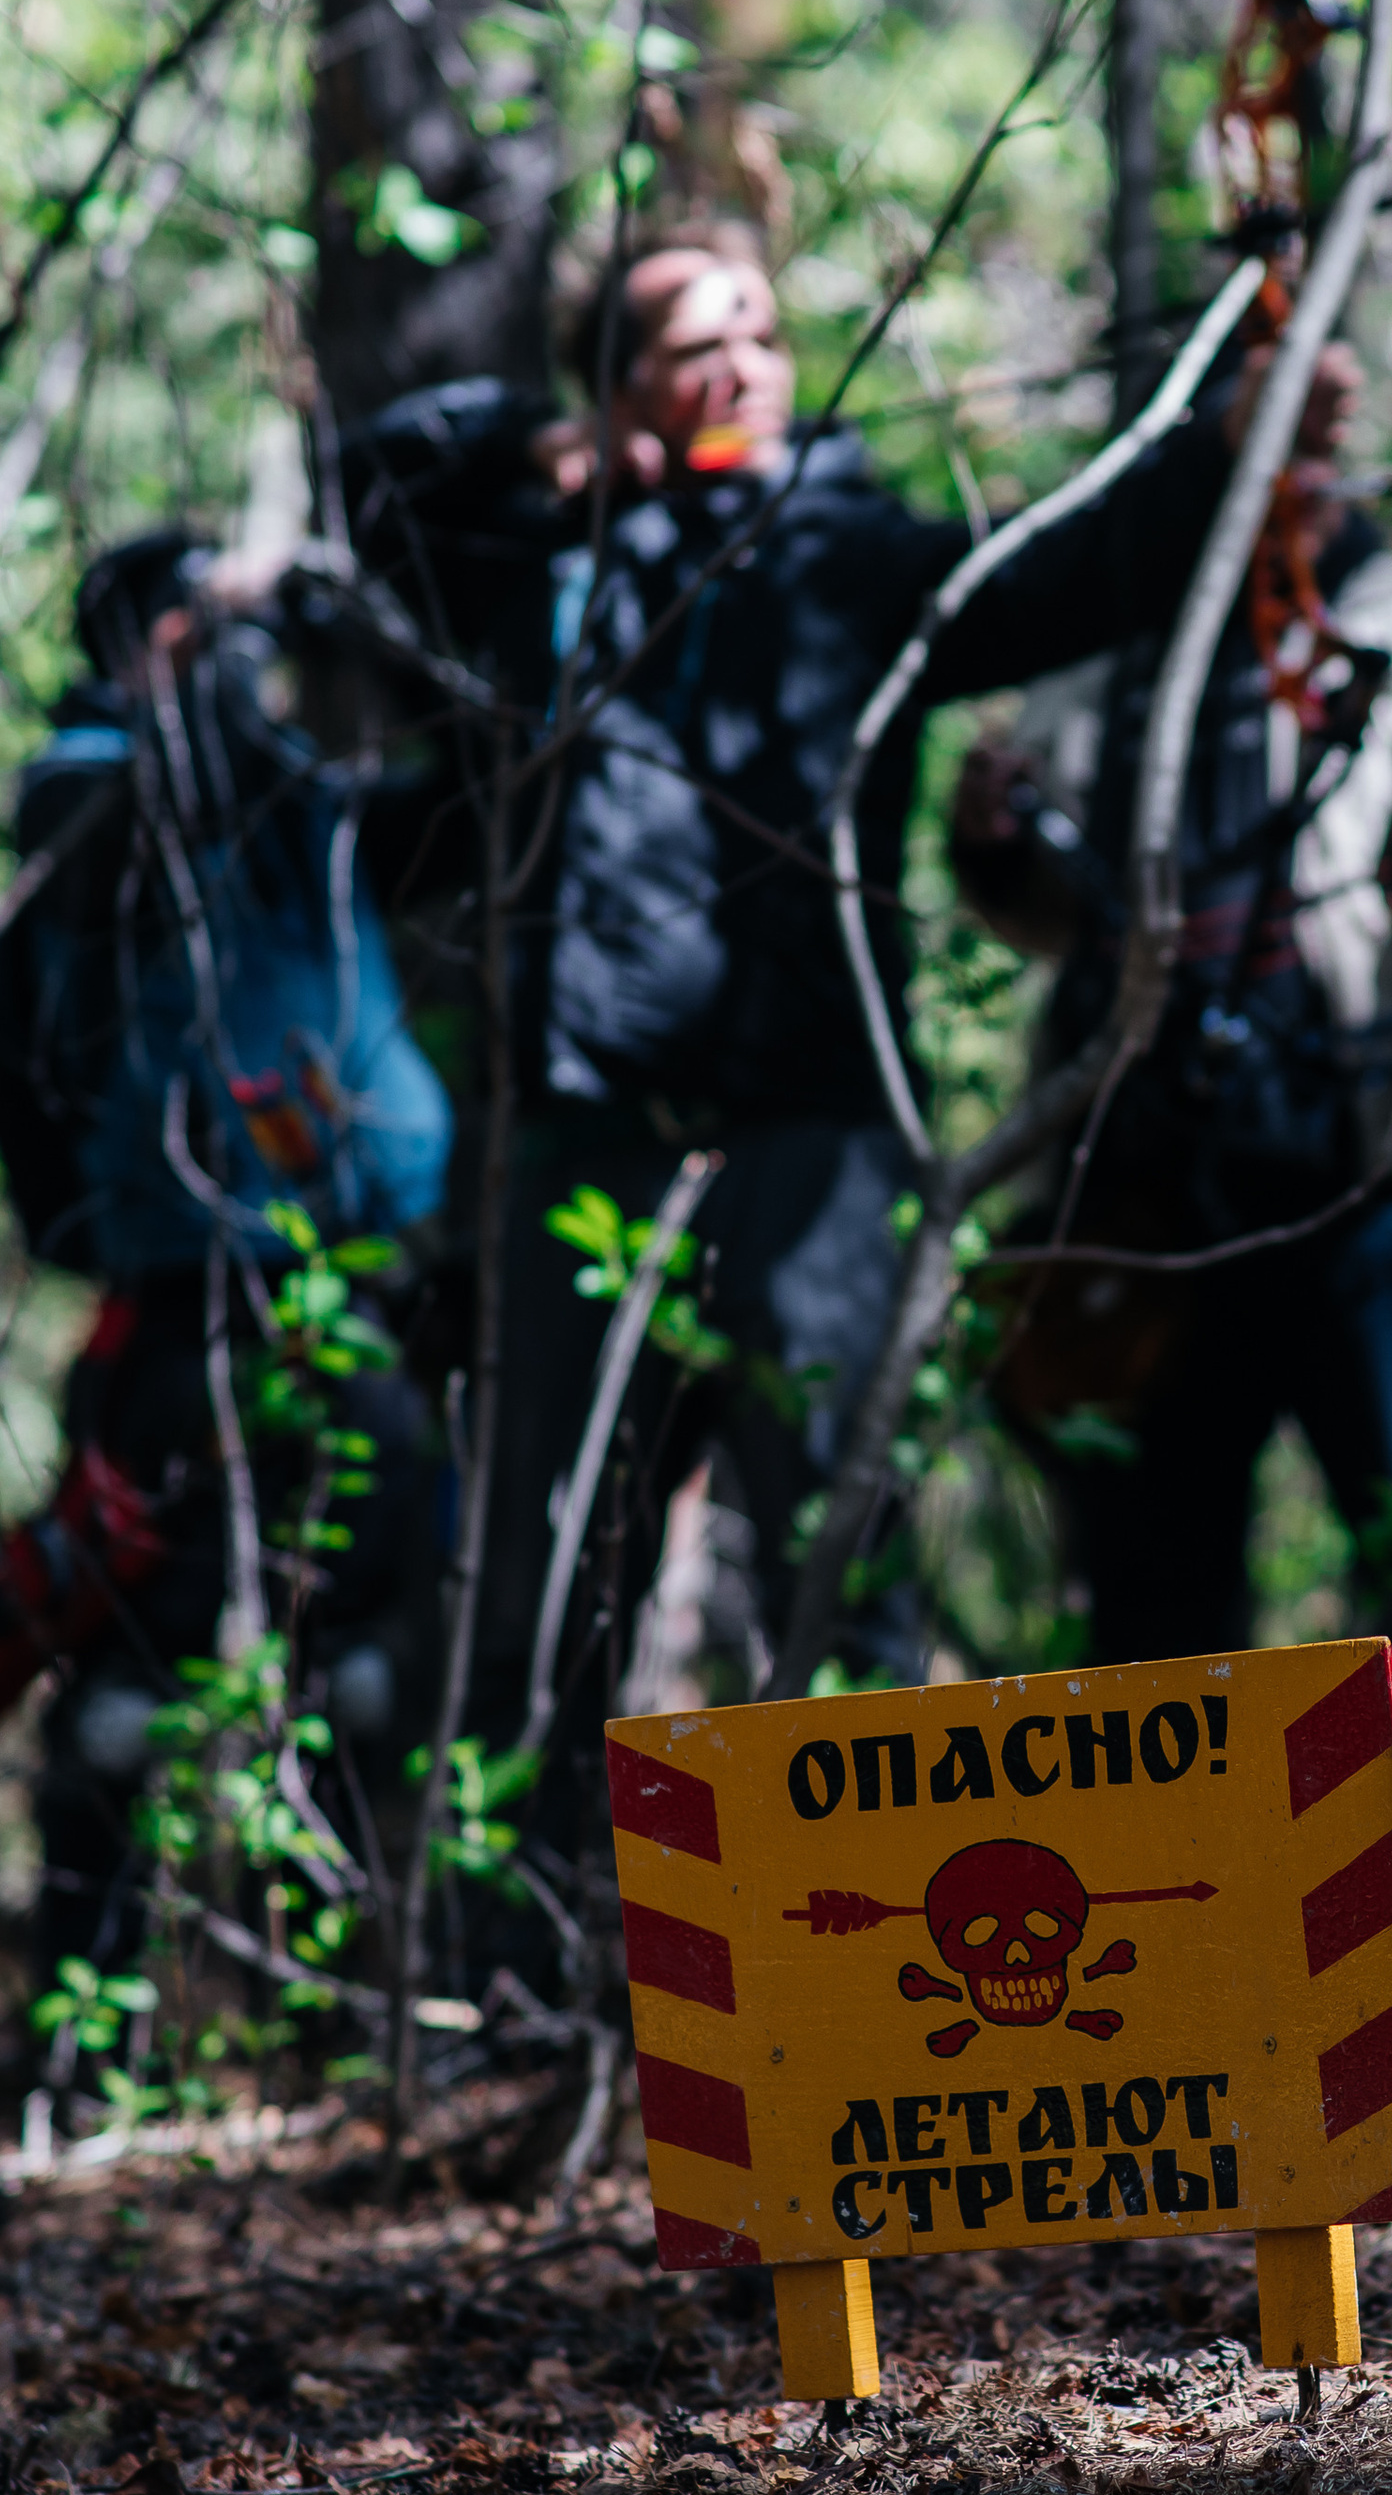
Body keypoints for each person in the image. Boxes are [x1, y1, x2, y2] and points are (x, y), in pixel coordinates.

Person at [339, 226, 1302, 1797]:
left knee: (836, 1578)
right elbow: (374, 485)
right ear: (622, 392)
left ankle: (865, 1940)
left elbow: (1083, 569)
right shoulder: (539, 564)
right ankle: (536, 1933)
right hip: (591, 1148)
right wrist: (539, 451)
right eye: (696, 346)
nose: (746, 369)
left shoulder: (855, 559)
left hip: (816, 1150)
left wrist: (1234, 435)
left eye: (765, 336)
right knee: (543, 1586)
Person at [951, 353, 1392, 2000]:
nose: (1310, 444)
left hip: (1376, 1169)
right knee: (1154, 1592)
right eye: (1269, 413)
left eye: (1330, 416)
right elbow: (1047, 915)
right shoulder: (1106, 645)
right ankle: (1172, 1980)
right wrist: (996, 850)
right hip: (1141, 1192)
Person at [0, 532, 450, 1980]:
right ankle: (85, 2020)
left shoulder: (299, 802)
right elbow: (131, 826)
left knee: (364, 1647)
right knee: (140, 1655)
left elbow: (483, 782)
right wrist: (215, 658)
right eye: (202, 620)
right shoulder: (82, 785)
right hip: (176, 1290)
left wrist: (355, 626)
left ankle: (330, 2007)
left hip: (355, 1279)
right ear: (148, 639)